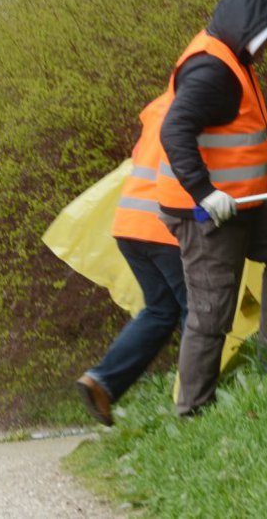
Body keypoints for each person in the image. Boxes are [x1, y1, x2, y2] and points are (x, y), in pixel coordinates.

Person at [156, 0, 267, 417]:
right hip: (204, 213)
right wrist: (205, 193)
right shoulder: (212, 73)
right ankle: (192, 412)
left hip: (242, 206)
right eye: (266, 36)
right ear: (248, 30)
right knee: (212, 312)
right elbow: (173, 130)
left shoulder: (232, 58)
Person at [76, 94, 187, 426]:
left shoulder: (159, 109)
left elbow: (139, 159)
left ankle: (102, 381)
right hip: (163, 226)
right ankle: (196, 399)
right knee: (197, 310)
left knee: (160, 311)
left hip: (129, 224)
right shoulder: (202, 102)